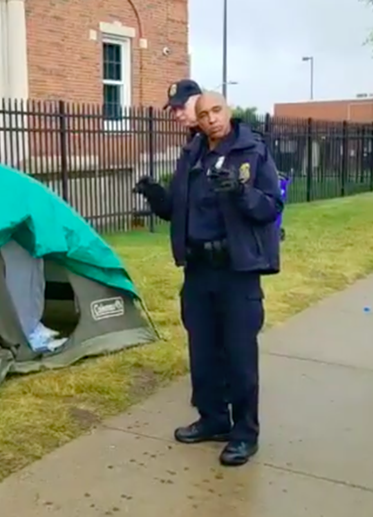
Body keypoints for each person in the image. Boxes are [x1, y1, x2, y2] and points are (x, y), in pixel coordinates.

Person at [134, 91, 283, 467]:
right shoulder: (192, 154)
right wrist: (156, 195)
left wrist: (241, 192)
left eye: (217, 110)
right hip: (199, 270)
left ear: (228, 110)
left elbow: (271, 206)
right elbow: (177, 210)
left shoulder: (253, 151)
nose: (212, 119)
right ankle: (213, 418)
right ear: (196, 120)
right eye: (204, 114)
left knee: (239, 354)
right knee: (202, 352)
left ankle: (244, 433)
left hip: (237, 271)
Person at [164, 78, 205, 408]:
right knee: (196, 327)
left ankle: (223, 402)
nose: (176, 113)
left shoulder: (216, 144)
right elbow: (180, 205)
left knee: (222, 336)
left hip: (221, 261)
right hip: (194, 260)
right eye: (174, 108)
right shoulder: (191, 147)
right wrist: (155, 195)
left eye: (181, 106)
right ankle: (209, 406)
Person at [164, 79, 203, 143]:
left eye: (182, 107)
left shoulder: (218, 134)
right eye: (174, 109)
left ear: (198, 100)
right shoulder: (194, 136)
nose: (177, 114)